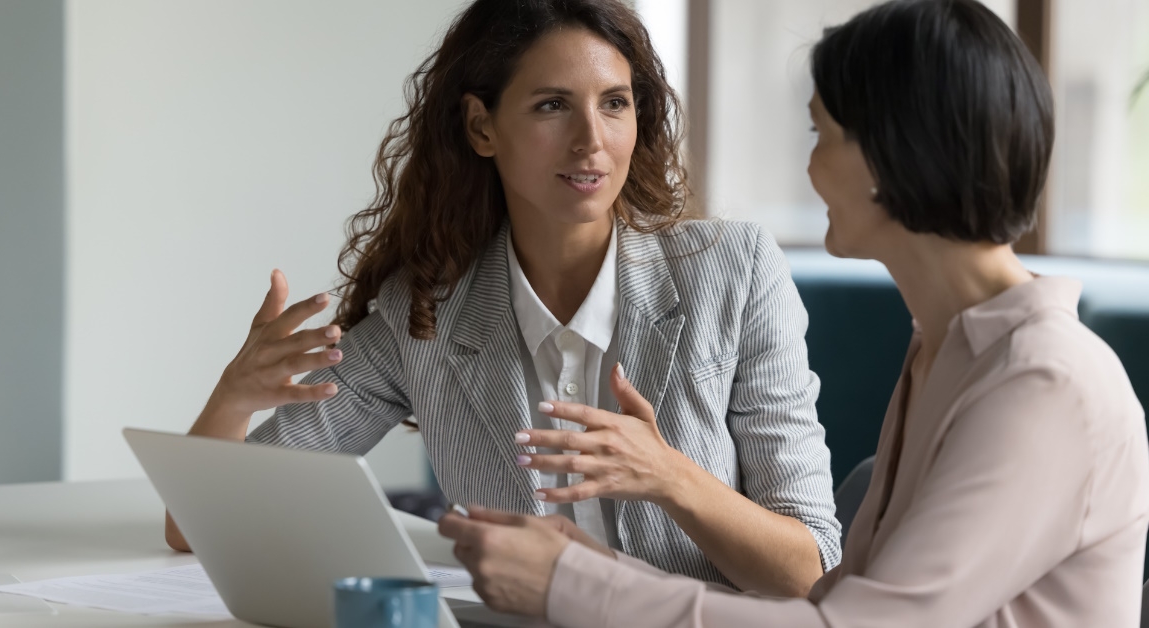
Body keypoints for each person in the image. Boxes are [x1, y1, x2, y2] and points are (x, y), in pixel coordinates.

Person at [437, 0, 1149, 625]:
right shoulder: (945, 349)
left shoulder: (1043, 382)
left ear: (888, 158)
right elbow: (833, 599)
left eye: (820, 137)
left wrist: (571, 584)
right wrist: (580, 560)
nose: (810, 170)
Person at [164, 0, 842, 595]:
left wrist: (668, 475)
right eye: (552, 105)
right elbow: (199, 528)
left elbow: (809, 569)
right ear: (482, 127)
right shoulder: (423, 313)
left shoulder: (734, 271)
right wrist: (236, 396)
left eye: (614, 102)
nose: (592, 141)